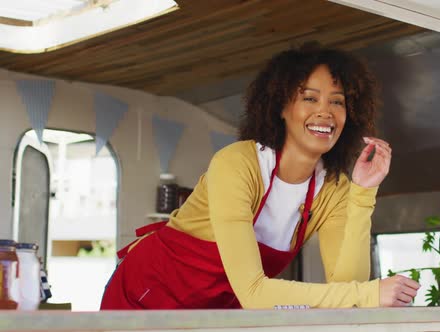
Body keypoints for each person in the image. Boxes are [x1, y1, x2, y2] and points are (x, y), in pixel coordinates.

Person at [100, 45, 420, 310]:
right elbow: (254, 293)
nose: (325, 112)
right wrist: (367, 295)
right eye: (310, 98)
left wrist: (363, 193)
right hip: (143, 298)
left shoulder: (333, 187)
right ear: (281, 106)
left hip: (217, 312)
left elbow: (349, 289)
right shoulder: (238, 163)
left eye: (337, 101)